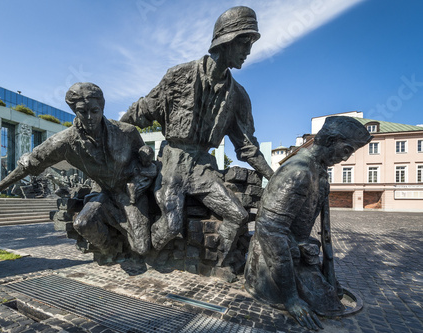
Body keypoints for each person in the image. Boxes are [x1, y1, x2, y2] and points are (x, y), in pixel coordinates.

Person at [120, 6, 274, 263]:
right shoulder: (178, 75)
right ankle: (145, 255)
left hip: (203, 167)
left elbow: (247, 146)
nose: (248, 52)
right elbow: (141, 112)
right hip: (173, 162)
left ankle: (217, 262)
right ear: (226, 42)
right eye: (244, 43)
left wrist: (273, 176)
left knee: (238, 215)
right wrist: (111, 137)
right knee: (170, 225)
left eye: (250, 44)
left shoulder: (238, 97)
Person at [0, 82, 155, 256]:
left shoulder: (127, 132)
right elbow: (31, 163)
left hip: (129, 193)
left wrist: (146, 156)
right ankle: (111, 250)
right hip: (102, 193)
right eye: (82, 112)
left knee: (141, 247)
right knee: (82, 224)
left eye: (94, 111)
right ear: (75, 111)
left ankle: (123, 228)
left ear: (102, 108)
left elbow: (144, 158)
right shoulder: (64, 142)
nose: (89, 117)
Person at [244, 116, 372, 330]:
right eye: (347, 150)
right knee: (328, 304)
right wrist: (291, 298)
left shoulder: (318, 170)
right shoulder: (299, 171)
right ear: (331, 141)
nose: (346, 158)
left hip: (298, 252)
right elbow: (270, 230)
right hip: (273, 260)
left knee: (332, 299)